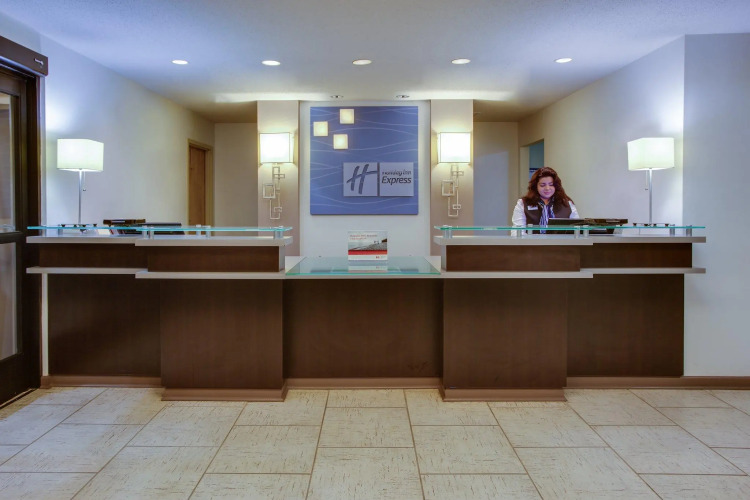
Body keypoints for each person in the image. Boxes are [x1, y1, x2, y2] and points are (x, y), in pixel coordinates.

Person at [512, 166, 579, 232]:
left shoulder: (567, 203)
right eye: (542, 185)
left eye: (551, 184)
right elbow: (517, 232)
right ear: (535, 186)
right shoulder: (522, 203)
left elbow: (577, 230)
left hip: (561, 239)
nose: (547, 188)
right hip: (531, 239)